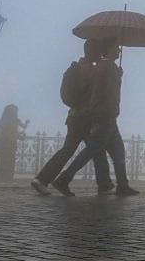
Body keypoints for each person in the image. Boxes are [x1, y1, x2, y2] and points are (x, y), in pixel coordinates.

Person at [52, 37, 139, 196]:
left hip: (109, 115)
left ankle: (121, 185)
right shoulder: (105, 67)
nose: (119, 50)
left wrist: (118, 77)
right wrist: (96, 116)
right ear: (109, 49)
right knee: (92, 150)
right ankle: (63, 179)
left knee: (117, 151)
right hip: (104, 116)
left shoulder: (108, 67)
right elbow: (99, 92)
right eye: (116, 47)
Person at [32, 39, 113, 195]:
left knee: (82, 149)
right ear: (95, 52)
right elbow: (98, 94)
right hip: (88, 117)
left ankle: (104, 183)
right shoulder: (94, 70)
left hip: (74, 116)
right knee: (94, 148)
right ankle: (102, 184)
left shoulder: (76, 68)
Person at [0, 104, 27, 183]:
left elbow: (15, 132)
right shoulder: (8, 121)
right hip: (5, 145)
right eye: (14, 111)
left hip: (9, 145)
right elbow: (8, 133)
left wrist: (20, 136)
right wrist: (20, 136)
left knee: (7, 163)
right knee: (5, 162)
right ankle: (3, 179)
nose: (15, 112)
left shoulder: (8, 120)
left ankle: (5, 179)